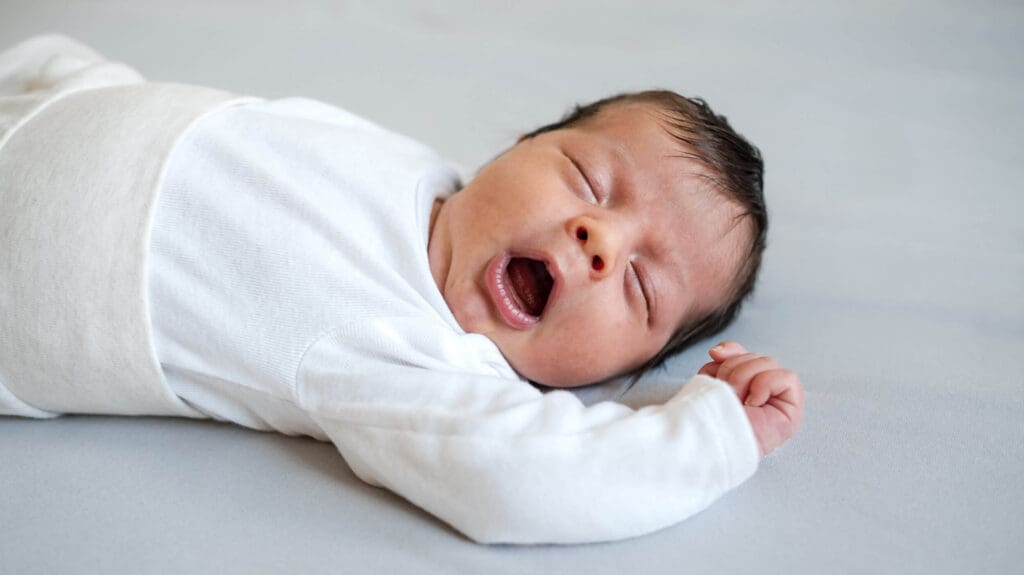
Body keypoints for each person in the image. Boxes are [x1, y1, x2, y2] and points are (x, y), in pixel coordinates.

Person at [0, 34, 803, 544]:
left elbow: (525, 476)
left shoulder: (418, 352)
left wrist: (713, 434)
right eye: (585, 178)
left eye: (638, 287)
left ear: (619, 371)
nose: (600, 242)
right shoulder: (426, 171)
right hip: (62, 103)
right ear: (520, 145)